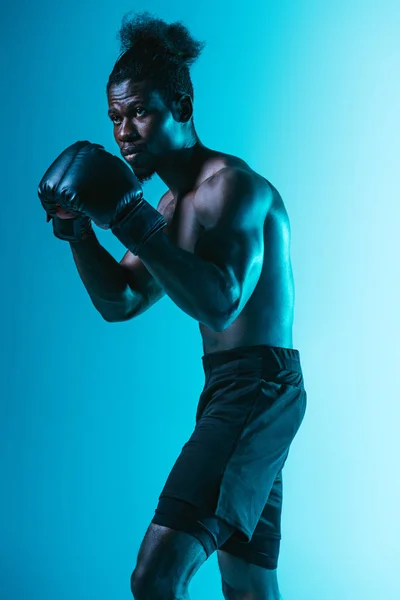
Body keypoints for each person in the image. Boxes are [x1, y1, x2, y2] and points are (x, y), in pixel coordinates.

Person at [38, 11, 307, 600]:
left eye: (140, 111)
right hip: (230, 389)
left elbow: (221, 305)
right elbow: (123, 300)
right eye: (115, 117)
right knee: (248, 583)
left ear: (181, 106)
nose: (124, 131)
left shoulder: (230, 186)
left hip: (259, 387)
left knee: (155, 576)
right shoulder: (166, 206)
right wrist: (79, 233)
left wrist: (128, 221)